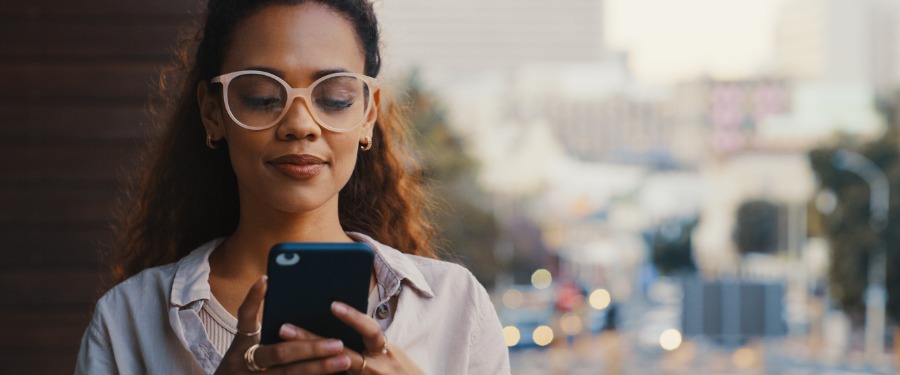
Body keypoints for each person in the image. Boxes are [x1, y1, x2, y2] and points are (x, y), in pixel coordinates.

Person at [75, 0, 511, 373]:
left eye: (335, 98)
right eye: (263, 97)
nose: (300, 125)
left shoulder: (458, 307)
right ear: (213, 112)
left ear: (368, 114)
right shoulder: (127, 320)